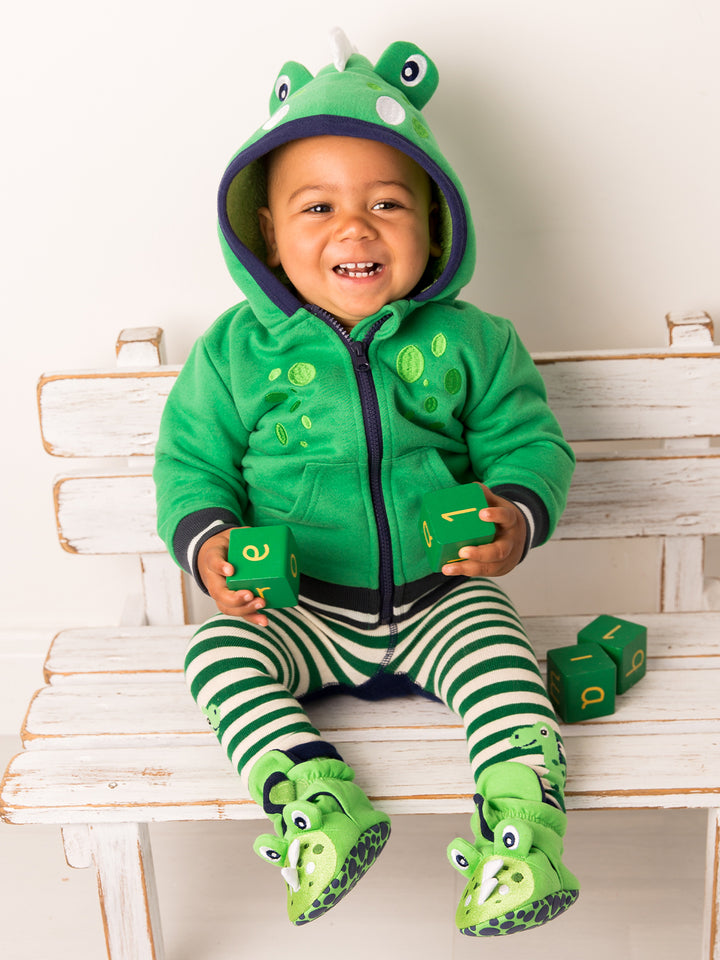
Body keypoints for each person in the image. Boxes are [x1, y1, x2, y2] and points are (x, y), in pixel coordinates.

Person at [154, 33, 579, 936]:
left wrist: (514, 516)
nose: (355, 228)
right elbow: (190, 464)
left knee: (508, 667)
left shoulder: (476, 342)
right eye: (317, 207)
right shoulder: (234, 353)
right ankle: (317, 801)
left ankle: (522, 835)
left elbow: (528, 443)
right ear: (268, 232)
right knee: (211, 656)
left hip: (442, 599)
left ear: (434, 220)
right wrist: (211, 546)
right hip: (300, 609)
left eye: (387, 202)